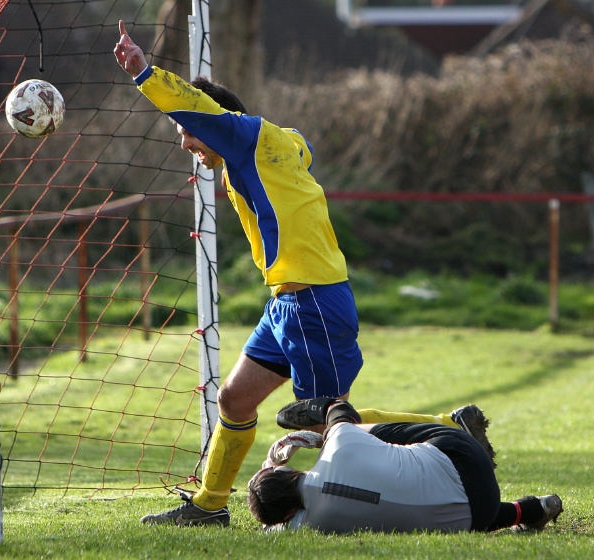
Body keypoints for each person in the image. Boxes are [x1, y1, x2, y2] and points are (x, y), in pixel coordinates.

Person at [114, 20, 364, 526]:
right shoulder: (262, 151)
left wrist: (144, 72)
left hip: (313, 298)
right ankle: (209, 507)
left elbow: (195, 107)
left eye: (189, 134)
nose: (187, 144)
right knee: (234, 398)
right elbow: (293, 144)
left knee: (327, 417)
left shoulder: (247, 138)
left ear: (215, 122)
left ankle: (445, 427)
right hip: (287, 303)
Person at [248, 398, 563, 534]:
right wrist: (312, 424)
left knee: (436, 511)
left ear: (289, 516)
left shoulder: (316, 526)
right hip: (463, 456)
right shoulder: (339, 448)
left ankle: (532, 509)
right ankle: (456, 426)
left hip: (478, 514)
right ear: (287, 472)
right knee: (357, 428)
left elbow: (273, 528)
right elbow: (338, 408)